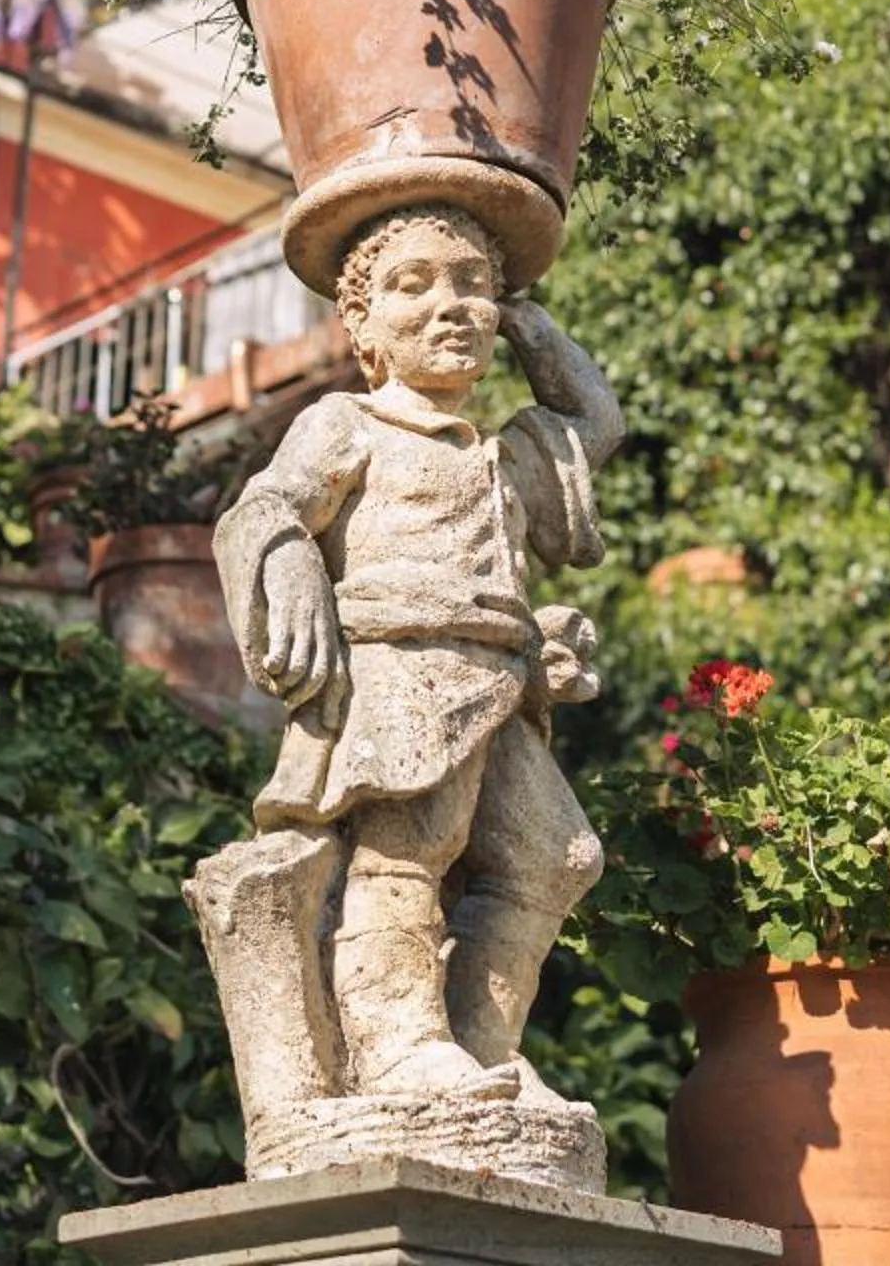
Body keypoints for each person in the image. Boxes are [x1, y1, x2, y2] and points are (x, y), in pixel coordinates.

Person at [212, 201, 619, 1099]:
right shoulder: (349, 424)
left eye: (472, 284)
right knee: (410, 846)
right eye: (413, 284)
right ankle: (398, 1043)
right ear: (359, 321)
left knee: (558, 858)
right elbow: (266, 507)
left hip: (500, 684)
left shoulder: (503, 453)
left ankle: (483, 1045)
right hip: (398, 673)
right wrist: (290, 573)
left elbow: (595, 423)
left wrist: (527, 324)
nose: (451, 305)